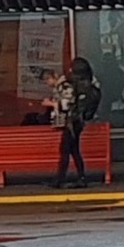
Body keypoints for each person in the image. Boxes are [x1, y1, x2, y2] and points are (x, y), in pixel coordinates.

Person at [51, 56, 101, 189]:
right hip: (78, 122)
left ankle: (60, 179)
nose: (69, 71)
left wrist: (56, 100)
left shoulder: (77, 85)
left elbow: (69, 104)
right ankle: (80, 177)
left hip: (72, 122)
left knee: (65, 150)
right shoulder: (88, 83)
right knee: (74, 151)